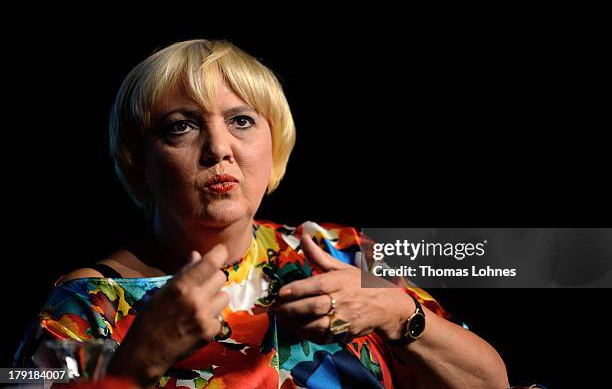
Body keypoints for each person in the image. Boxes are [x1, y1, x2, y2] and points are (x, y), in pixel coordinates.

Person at [14, 39, 509, 389]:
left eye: (241, 121)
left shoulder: (337, 249)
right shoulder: (87, 300)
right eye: (181, 126)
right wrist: (135, 363)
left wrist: (398, 311)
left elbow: (492, 383)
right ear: (137, 161)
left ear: (273, 147)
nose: (219, 149)